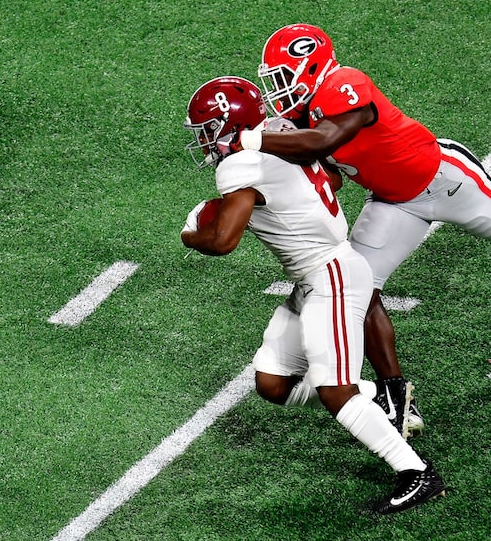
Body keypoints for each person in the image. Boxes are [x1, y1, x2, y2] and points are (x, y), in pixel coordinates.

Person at [223, 23, 491, 438]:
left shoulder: (345, 82)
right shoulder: (300, 115)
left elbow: (324, 141)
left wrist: (253, 143)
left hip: (443, 179)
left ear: (311, 65)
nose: (280, 90)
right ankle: (394, 393)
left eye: (284, 77)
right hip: (391, 201)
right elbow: (330, 172)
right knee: (359, 285)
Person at [179, 76, 446, 514]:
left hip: (331, 276)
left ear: (227, 126)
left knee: (333, 390)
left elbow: (223, 241)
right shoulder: (285, 133)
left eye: (207, 128)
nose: (204, 138)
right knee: (273, 382)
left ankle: (417, 474)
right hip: (316, 277)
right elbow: (334, 181)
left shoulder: (238, 167)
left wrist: (193, 231)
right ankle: (375, 396)